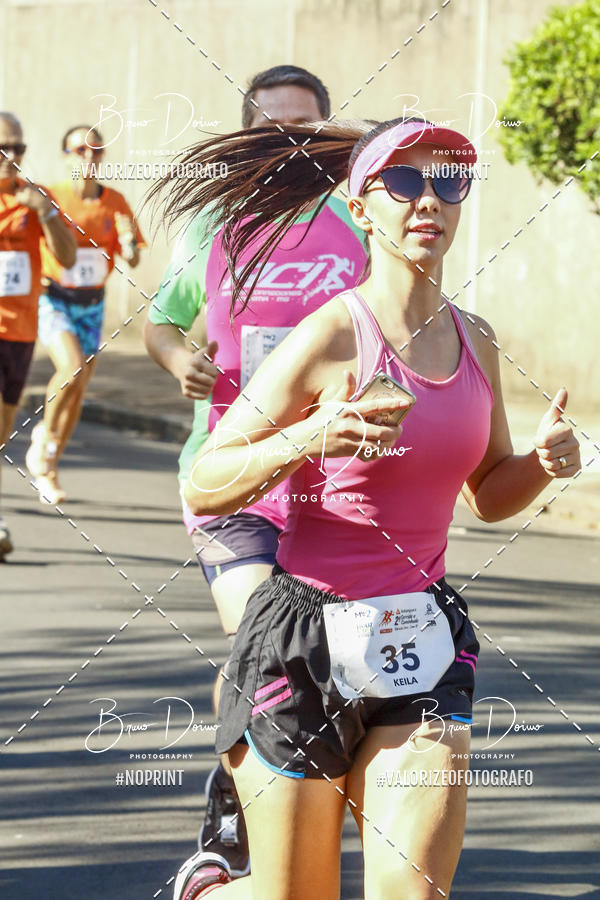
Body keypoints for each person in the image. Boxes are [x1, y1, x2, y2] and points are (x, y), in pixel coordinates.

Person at [154, 116, 581, 898]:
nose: (430, 199)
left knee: (413, 891)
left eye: (448, 181)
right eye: (405, 181)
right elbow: (206, 481)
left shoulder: (476, 340)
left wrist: (541, 466)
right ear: (360, 208)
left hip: (420, 634)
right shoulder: (329, 336)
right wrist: (306, 437)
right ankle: (210, 890)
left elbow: (490, 494)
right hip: (301, 644)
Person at [143, 66, 368, 897]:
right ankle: (233, 821)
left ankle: (273, 799)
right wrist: (182, 363)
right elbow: (161, 323)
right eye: (272, 131)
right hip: (232, 477)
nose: (290, 146)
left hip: (332, 481)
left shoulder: (358, 224)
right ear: (246, 139)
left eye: (306, 130)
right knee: (263, 636)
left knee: (321, 658)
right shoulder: (216, 225)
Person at [24, 124, 145, 504]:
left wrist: (127, 242)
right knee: (71, 367)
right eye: (80, 150)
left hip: (92, 305)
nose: (89, 156)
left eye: (96, 150)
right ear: (66, 156)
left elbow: (133, 258)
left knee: (78, 389)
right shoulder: (49, 197)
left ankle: (50, 466)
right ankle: (45, 437)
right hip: (54, 298)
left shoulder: (116, 202)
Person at [0, 112, 76, 560]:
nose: (12, 155)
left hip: (20, 331)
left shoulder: (36, 197)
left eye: (19, 148)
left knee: (3, 428)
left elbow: (67, 258)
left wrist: (45, 213)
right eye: (3, 147)